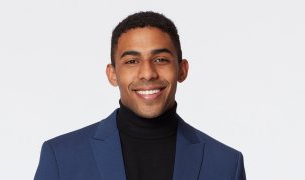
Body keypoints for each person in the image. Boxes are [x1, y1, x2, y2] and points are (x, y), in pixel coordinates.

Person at [34, 11, 246, 180]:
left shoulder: (225, 164)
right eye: (132, 61)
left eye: (161, 59)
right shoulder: (61, 157)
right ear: (112, 74)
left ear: (182, 70)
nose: (147, 73)